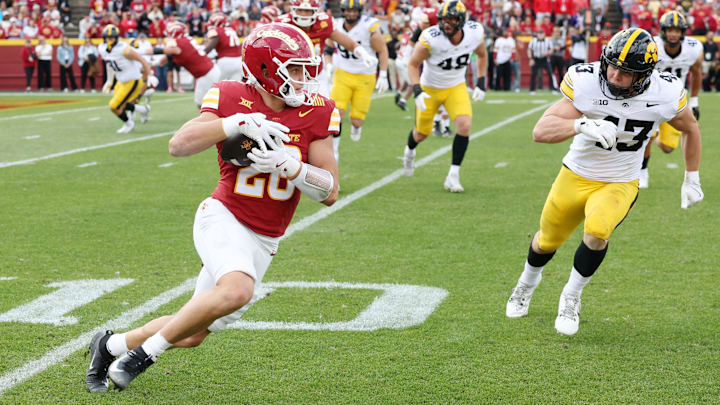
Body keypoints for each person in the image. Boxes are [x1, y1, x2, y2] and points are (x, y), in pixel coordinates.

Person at [84, 22, 340, 392]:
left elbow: (330, 191)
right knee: (237, 291)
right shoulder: (232, 96)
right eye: (295, 69)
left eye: (305, 68)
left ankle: (108, 345)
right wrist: (230, 123)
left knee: (191, 333)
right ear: (267, 71)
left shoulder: (317, 111)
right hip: (224, 217)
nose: (304, 78)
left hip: (265, 239)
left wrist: (293, 167)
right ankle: (143, 356)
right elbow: (179, 145)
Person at [505, 28, 703, 337]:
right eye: (611, 65)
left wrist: (691, 177)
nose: (614, 74)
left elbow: (691, 128)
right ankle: (526, 284)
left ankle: (571, 296)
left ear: (644, 75)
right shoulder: (586, 83)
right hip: (576, 173)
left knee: (597, 231)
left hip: (621, 180)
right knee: (546, 241)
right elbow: (540, 131)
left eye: (625, 71)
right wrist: (580, 124)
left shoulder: (664, 94)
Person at [275, 0, 377, 160]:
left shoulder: (323, 23)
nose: (304, 15)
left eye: (308, 12)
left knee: (329, 113)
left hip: (316, 76)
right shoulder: (282, 24)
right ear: (293, 10)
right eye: (301, 11)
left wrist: (362, 52)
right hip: (289, 78)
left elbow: (345, 40)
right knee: (284, 112)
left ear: (316, 12)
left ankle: (333, 151)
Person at [403, 0, 488, 193]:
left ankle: (453, 175)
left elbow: (482, 55)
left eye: (451, 20)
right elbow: (412, 64)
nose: (446, 24)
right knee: (421, 133)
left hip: (455, 86)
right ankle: (409, 151)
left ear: (461, 20)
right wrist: (417, 90)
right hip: (430, 88)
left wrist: (481, 82)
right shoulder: (431, 37)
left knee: (465, 126)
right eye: (443, 20)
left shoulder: (474, 33)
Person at [639, 11, 703, 189]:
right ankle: (643, 172)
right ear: (663, 31)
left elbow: (697, 73)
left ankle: (658, 133)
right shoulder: (651, 45)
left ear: (683, 32)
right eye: (669, 30)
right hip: (650, 98)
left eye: (677, 30)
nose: (673, 34)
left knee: (668, 148)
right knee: (646, 138)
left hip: (674, 101)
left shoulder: (694, 48)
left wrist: (695, 100)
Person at [329, 0, 389, 144]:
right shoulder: (336, 24)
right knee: (337, 113)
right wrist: (328, 64)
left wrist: (383, 74)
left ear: (359, 12)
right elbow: (328, 47)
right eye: (348, 11)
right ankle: (335, 147)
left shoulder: (369, 25)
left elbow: (382, 50)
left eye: (354, 11)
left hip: (365, 76)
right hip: (343, 73)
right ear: (343, 11)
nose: (351, 14)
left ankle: (356, 127)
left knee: (356, 120)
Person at [151, 22, 221, 108]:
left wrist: (140, 52)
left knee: (205, 105)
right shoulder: (187, 40)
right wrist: (154, 63)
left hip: (206, 74)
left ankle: (216, 120)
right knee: (205, 104)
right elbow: (165, 59)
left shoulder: (179, 43)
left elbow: (164, 51)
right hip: (209, 71)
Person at [99, 25, 151, 133]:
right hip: (121, 81)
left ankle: (129, 124)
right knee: (120, 104)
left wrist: (148, 74)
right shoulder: (102, 48)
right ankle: (143, 110)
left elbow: (142, 60)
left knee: (114, 106)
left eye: (112, 37)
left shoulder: (123, 49)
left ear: (116, 38)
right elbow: (109, 64)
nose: (110, 40)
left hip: (133, 81)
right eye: (108, 37)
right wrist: (109, 80)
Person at [204, 13, 244, 81]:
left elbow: (210, 47)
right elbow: (229, 48)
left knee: (215, 85)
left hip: (225, 62)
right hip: (239, 61)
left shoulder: (218, 30)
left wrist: (201, 54)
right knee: (233, 88)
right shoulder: (231, 29)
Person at [528, 29, 558, 94]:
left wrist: (547, 53)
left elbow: (551, 50)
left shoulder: (548, 41)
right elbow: (529, 50)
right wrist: (531, 58)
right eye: (539, 33)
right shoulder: (533, 41)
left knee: (551, 73)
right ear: (537, 34)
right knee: (533, 74)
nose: (540, 35)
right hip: (536, 58)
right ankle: (532, 90)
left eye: (542, 33)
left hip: (545, 59)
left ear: (544, 34)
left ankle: (554, 89)